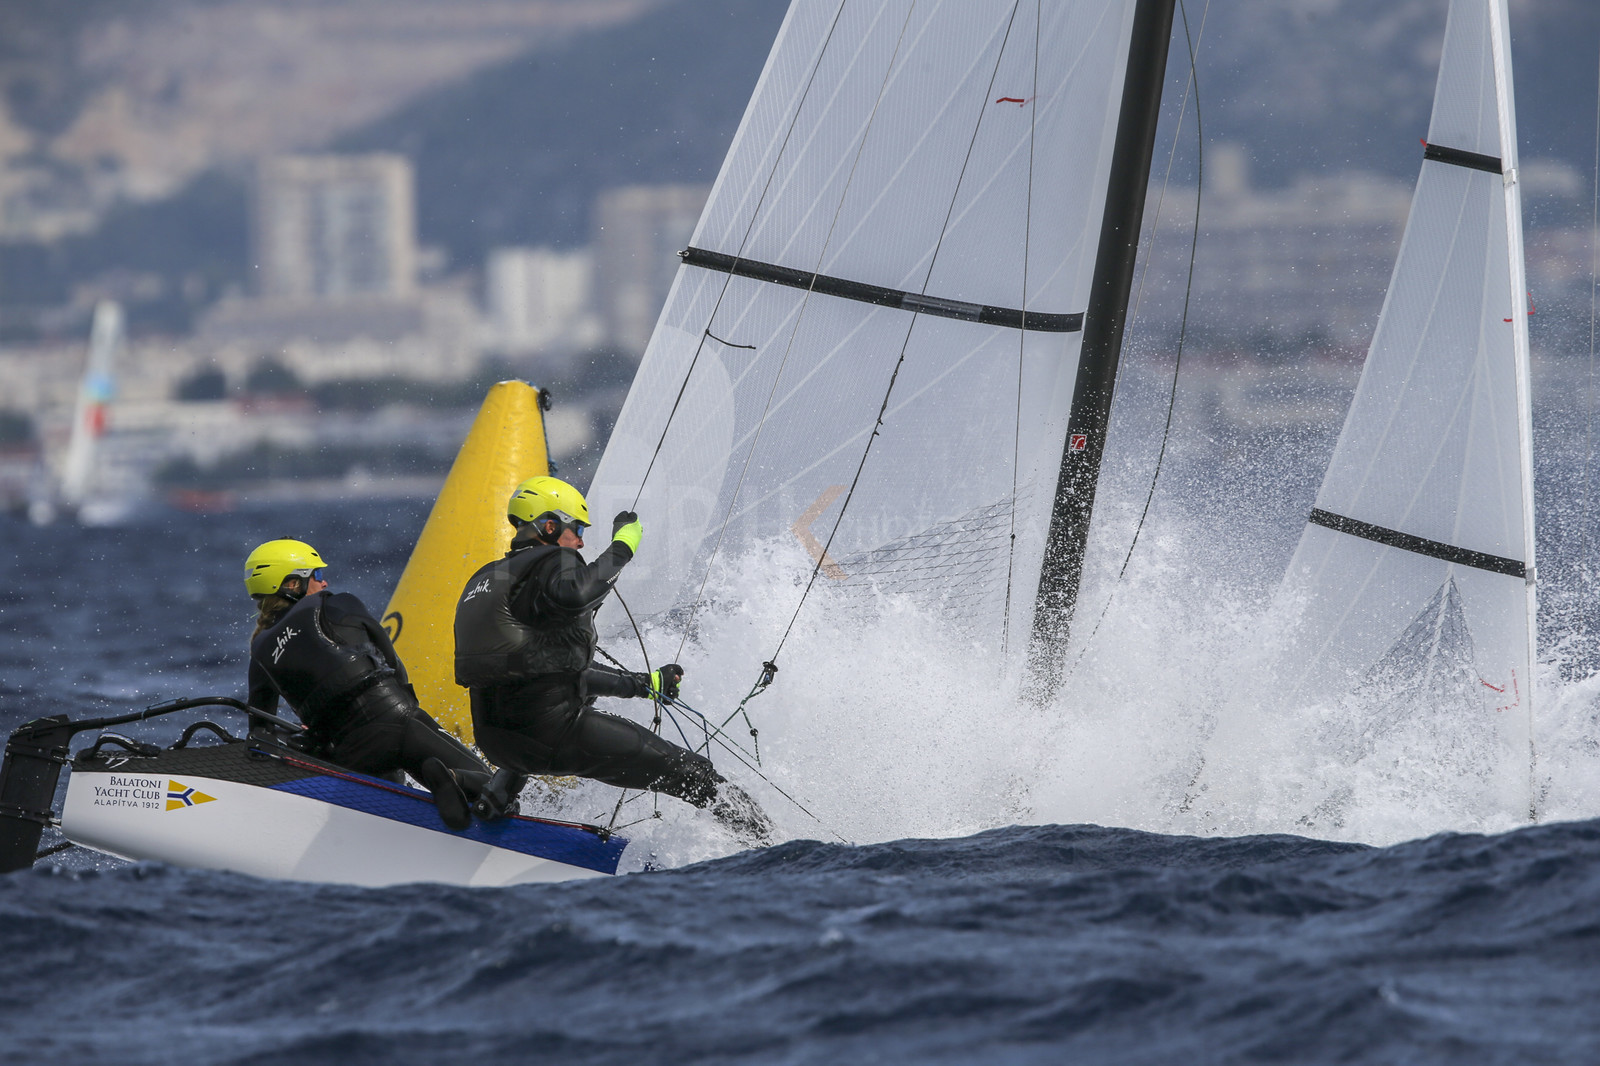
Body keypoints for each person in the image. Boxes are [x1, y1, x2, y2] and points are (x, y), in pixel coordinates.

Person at [454, 476, 773, 843]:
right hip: (553, 737)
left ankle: (497, 796)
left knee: (538, 696)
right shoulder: (554, 561)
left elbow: (550, 671)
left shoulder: (489, 580)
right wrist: (623, 546)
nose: (580, 541)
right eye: (575, 529)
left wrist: (645, 685)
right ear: (549, 525)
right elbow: (576, 594)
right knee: (696, 776)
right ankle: (773, 850)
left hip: (499, 744)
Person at [245, 538, 490, 830]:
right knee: (492, 787)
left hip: (350, 753)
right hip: (396, 719)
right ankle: (455, 780)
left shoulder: (259, 651)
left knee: (393, 799)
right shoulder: (338, 602)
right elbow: (393, 662)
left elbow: (260, 735)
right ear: (292, 584)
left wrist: (306, 744)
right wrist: (413, 713)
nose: (324, 583)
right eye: (317, 576)